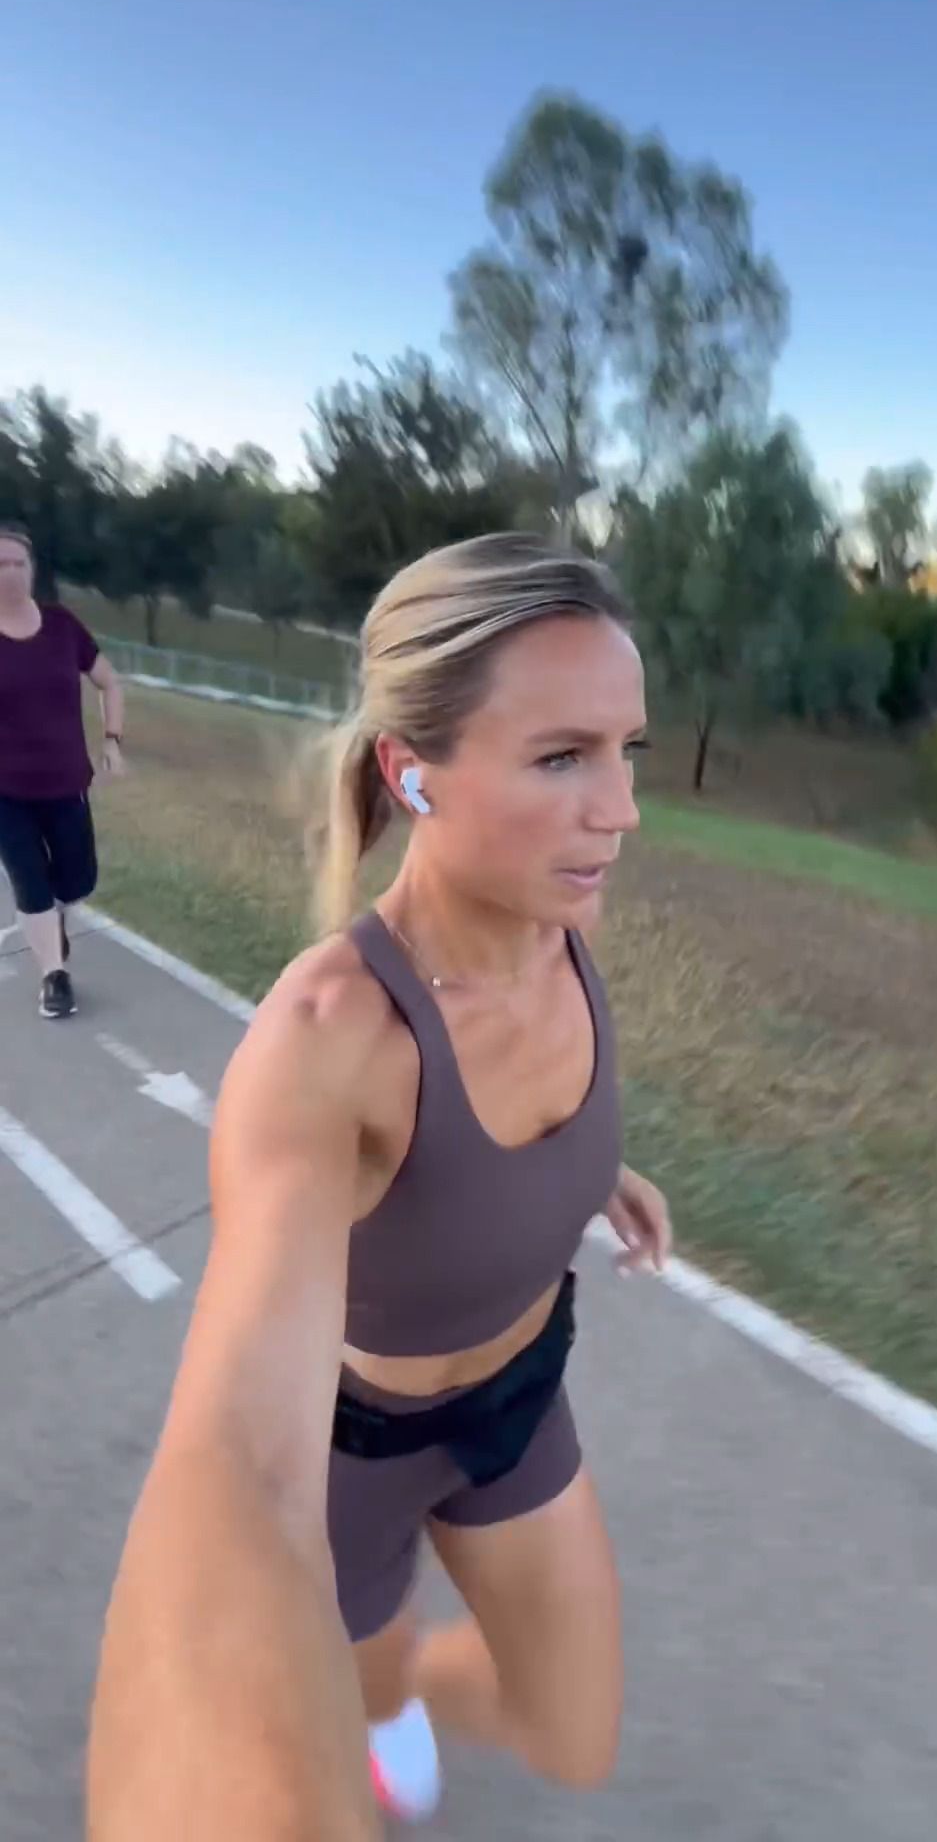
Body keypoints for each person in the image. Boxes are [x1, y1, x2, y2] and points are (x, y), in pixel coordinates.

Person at [87, 532, 670, 1838]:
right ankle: (372, 1700)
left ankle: (386, 1693)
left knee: (574, 1734)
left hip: (519, 1400)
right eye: (563, 757)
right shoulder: (326, 1044)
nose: (622, 808)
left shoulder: (557, 927)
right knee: (357, 1726)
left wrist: (589, 1175)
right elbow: (240, 1467)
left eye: (625, 750)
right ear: (414, 774)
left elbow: (485, 1138)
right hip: (359, 1456)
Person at [0, 523, 125, 1017]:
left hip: (67, 781)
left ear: (32, 570)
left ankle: (54, 927)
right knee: (30, 882)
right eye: (1, 564)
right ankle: (54, 976)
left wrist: (112, 741)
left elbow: (109, 682)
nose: (11, 572)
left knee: (77, 881)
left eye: (19, 563)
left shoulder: (62, 626)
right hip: (6, 789)